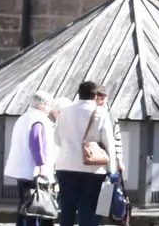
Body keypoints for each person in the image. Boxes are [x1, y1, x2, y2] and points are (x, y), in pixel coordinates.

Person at [54, 82, 115, 226]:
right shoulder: (101, 112)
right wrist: (112, 169)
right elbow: (108, 142)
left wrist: (70, 146)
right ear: (95, 96)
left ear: (78, 94)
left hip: (65, 165)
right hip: (92, 168)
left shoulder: (65, 111)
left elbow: (56, 138)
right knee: (88, 208)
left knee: (67, 208)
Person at [5, 91, 59, 226]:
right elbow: (36, 142)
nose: (50, 108)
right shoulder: (38, 119)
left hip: (22, 170)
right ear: (40, 105)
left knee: (24, 205)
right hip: (33, 171)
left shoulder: (24, 118)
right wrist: (41, 165)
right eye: (48, 105)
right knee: (34, 206)